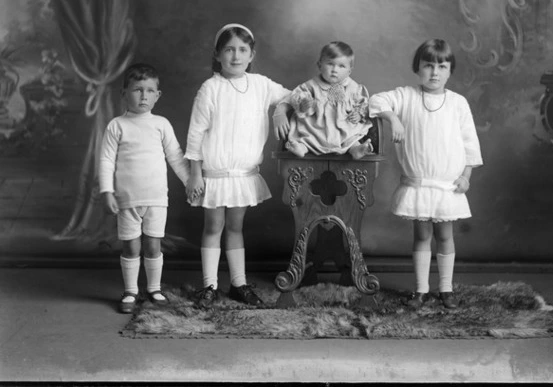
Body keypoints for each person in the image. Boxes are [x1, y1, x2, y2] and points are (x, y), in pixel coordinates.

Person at [368, 39, 483, 309]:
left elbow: (470, 143)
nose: (435, 72)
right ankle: (420, 290)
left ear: (450, 70)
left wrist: (466, 175)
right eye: (428, 65)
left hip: (447, 186)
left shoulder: (457, 103)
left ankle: (446, 289)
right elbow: (376, 100)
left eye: (442, 66)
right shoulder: (406, 96)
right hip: (418, 184)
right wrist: (393, 118)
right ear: (417, 68)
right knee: (421, 237)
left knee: (445, 236)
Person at [185, 23, 291, 309]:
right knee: (213, 226)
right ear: (218, 54)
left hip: (243, 174)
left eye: (242, 50)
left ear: (251, 54)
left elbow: (295, 96)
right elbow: (195, 133)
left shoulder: (260, 85)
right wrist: (195, 173)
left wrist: (280, 109)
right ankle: (209, 285)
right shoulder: (211, 88)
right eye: (229, 49)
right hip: (215, 174)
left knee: (235, 226)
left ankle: (238, 284)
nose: (236, 56)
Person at [99, 63, 190, 314]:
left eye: (150, 91)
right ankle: (130, 291)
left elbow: (175, 157)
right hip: (127, 199)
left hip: (156, 198)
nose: (144, 96)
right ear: (124, 93)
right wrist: (107, 191)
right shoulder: (117, 126)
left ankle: (154, 289)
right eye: (138, 90)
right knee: (131, 246)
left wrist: (189, 182)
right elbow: (106, 160)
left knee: (153, 244)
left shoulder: (161, 124)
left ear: (157, 95)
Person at [274, 41, 373, 159]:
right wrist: (304, 103)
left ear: (349, 71)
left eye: (341, 66)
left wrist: (359, 114)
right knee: (307, 138)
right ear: (319, 65)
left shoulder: (354, 88)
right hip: (316, 129)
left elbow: (363, 104)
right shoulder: (311, 85)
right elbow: (295, 96)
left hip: (344, 129)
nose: (335, 69)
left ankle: (356, 149)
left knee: (352, 138)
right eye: (330, 64)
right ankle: (301, 148)